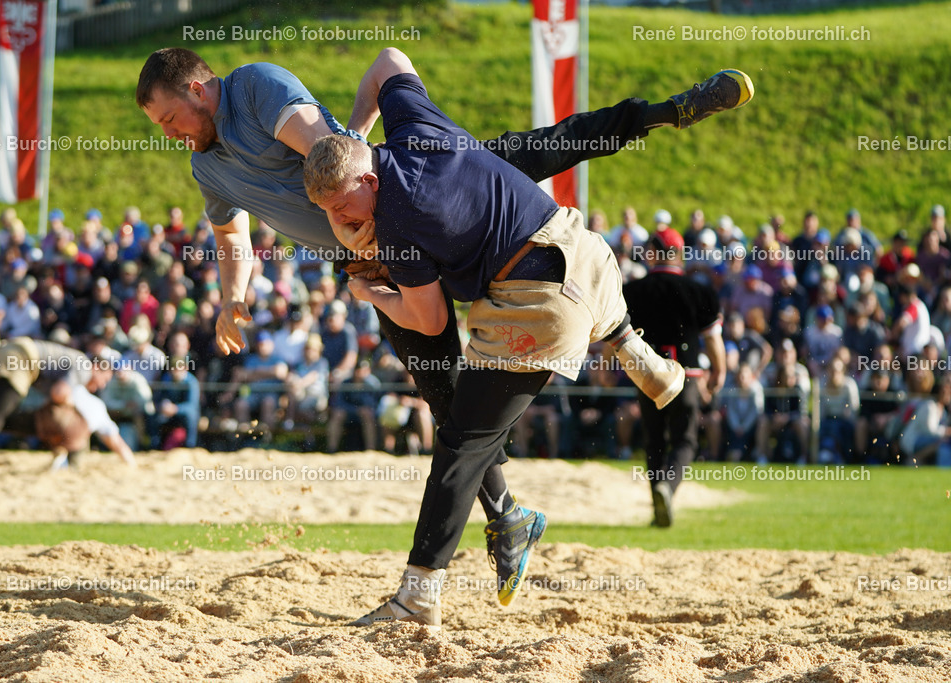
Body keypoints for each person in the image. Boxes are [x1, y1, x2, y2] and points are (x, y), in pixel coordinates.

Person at [136, 45, 752, 569]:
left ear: (197, 88)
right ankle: (508, 514)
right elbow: (231, 237)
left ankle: (671, 111)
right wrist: (233, 297)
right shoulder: (205, 165)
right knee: (443, 392)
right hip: (378, 250)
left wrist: (356, 145)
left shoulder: (251, 89)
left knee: (556, 146)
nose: (170, 133)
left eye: (169, 118)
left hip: (411, 197)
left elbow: (328, 151)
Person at [302, 50, 751, 626]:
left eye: (343, 207)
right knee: (542, 145)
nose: (344, 221)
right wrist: (354, 132)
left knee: (462, 442)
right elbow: (390, 60)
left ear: (368, 179)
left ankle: (418, 595)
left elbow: (432, 321)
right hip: (586, 255)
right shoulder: (419, 129)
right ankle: (637, 353)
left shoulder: (398, 223)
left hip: (540, 305)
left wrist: (371, 296)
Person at [622, 228, 727, 526]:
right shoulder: (700, 292)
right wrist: (719, 371)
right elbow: (713, 340)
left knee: (654, 439)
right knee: (685, 440)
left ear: (652, 253)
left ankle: (658, 506)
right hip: (688, 376)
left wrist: (605, 368)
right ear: (680, 254)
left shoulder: (633, 290)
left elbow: (617, 334)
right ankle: (667, 487)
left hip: (649, 375)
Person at [0, 338, 135, 473]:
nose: (101, 385)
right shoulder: (84, 367)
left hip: (1, 354)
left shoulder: (74, 360)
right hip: (19, 359)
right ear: (97, 367)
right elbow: (58, 393)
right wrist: (70, 404)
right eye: (104, 379)